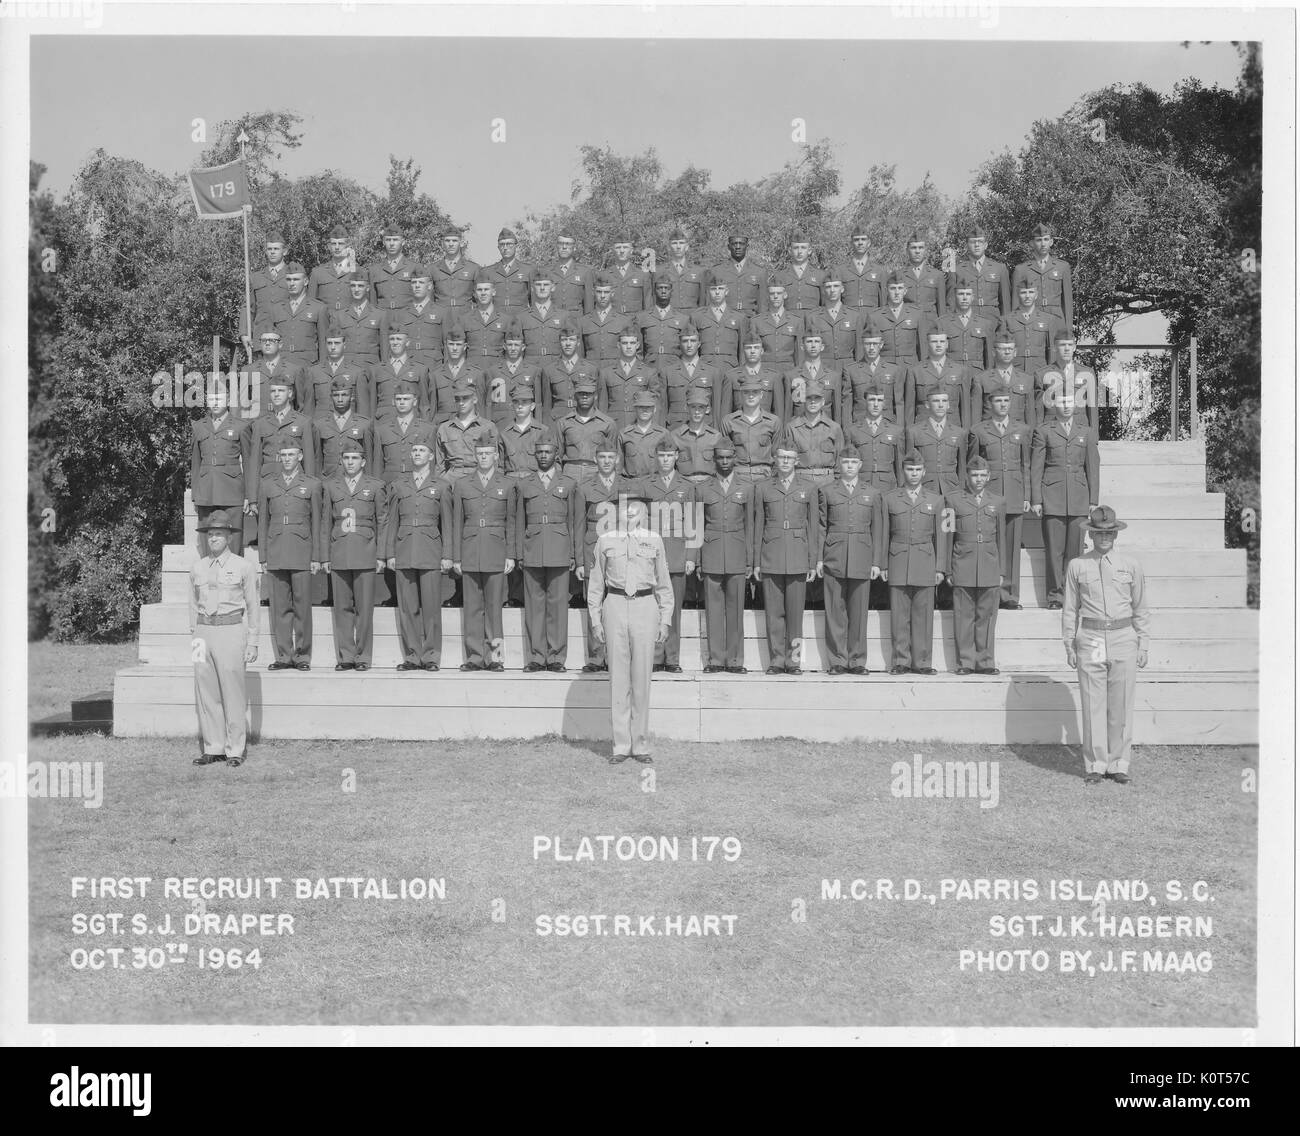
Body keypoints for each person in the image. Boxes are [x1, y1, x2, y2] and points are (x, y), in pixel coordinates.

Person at [1063, 506, 1150, 785]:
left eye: (1109, 532)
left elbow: (1140, 607)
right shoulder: (1078, 565)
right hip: (1091, 637)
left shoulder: (1131, 565)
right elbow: (1069, 608)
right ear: (1091, 534)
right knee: (1093, 702)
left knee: (1121, 703)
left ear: (1116, 533)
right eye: (1099, 532)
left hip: (1123, 636)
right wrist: (1069, 643)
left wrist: (1143, 643)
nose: (1104, 537)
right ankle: (1095, 765)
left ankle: (1118, 763)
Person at [587, 496, 675, 764]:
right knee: (619, 679)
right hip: (614, 605)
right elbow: (595, 584)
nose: (631, 512)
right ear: (618, 512)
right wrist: (595, 620)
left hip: (645, 606)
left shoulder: (654, 540)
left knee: (641, 679)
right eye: (626, 507)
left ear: (645, 513)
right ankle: (621, 745)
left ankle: (640, 743)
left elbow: (664, 584)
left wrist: (665, 619)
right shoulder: (605, 540)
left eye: (637, 508)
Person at [189, 509, 259, 768]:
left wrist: (253, 641)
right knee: (206, 692)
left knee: (232, 693)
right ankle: (213, 747)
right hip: (203, 633)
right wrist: (194, 636)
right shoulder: (197, 568)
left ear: (229, 537)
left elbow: (252, 607)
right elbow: (192, 605)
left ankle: (234, 749)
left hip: (231, 630)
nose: (214, 539)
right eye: (210, 534)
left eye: (219, 534)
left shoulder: (243, 567)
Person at [383, 438, 451, 671]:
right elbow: (391, 521)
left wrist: (447, 555)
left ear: (431, 456)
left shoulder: (441, 486)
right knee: (407, 608)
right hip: (404, 549)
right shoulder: (399, 485)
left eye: (422, 450)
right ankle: (412, 655)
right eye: (414, 450)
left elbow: (448, 524)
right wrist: (389, 552)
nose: (417, 454)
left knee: (431, 608)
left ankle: (431, 656)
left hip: (431, 550)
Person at [257, 438, 324, 671]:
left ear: (300, 457)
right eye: (283, 455)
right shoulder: (268, 484)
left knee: (302, 606)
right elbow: (263, 523)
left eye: (291, 454)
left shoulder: (313, 485)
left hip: (301, 551)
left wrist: (316, 556)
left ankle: (302, 656)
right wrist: (263, 557)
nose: (286, 459)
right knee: (280, 608)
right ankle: (284, 655)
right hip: (276, 550)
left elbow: (318, 522)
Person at [452, 439, 518, 671]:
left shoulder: (508, 485)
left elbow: (511, 521)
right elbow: (457, 522)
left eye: (488, 453)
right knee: (472, 608)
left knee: (494, 608)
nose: (483, 457)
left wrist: (511, 554)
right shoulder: (462, 485)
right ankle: (474, 657)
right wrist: (456, 556)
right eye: (480, 453)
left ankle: (495, 657)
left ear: (496, 456)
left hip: (496, 550)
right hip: (470, 550)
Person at [754, 444, 820, 675]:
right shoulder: (763, 488)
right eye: (781, 457)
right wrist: (756, 561)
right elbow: (757, 525)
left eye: (789, 458)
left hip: (797, 555)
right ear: (774, 459)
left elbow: (813, 527)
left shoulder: (809, 488)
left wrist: (813, 561)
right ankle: (776, 660)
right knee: (774, 615)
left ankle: (793, 661)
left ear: (797, 461)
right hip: (771, 554)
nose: (784, 461)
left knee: (795, 616)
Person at [817, 449, 884, 675]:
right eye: (845, 462)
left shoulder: (872, 493)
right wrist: (818, 558)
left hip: (861, 557)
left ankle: (857, 660)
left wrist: (876, 562)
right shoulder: (827, 491)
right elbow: (820, 527)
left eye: (853, 462)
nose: (849, 466)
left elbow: (878, 529)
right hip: (834, 556)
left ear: (860, 464)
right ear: (839, 464)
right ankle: (837, 660)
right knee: (834, 612)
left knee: (858, 613)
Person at [573, 442, 639, 671]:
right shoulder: (584, 487)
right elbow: (578, 526)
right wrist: (580, 561)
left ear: (618, 460)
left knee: (620, 605)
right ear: (595, 459)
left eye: (611, 457)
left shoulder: (627, 487)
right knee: (595, 604)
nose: (607, 461)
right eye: (602, 457)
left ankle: (617, 657)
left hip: (621, 552)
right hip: (594, 550)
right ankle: (595, 657)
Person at [1031, 391, 1099, 609]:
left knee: (1075, 553)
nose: (1067, 406)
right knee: (1054, 551)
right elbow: (1036, 467)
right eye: (1062, 402)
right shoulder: (1044, 431)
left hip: (1079, 497)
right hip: (1052, 496)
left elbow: (1093, 467)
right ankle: (1055, 597)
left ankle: (1073, 597)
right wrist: (1036, 499)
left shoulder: (1086, 432)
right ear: (1054, 405)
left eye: (1070, 402)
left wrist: (1093, 499)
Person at [882, 451, 948, 675]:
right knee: (899, 616)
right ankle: (901, 660)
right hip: (898, 558)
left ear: (924, 472)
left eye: (918, 470)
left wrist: (940, 567)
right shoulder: (889, 498)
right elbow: (883, 534)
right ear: (903, 471)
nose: (914, 474)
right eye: (910, 470)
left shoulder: (937, 500)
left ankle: (922, 661)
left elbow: (943, 535)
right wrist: (882, 564)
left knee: (923, 616)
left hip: (925, 560)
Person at [323, 439, 386, 671]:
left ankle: (363, 656)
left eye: (355, 458)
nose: (350, 462)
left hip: (366, 551)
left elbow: (383, 521)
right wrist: (324, 556)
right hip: (339, 551)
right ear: (341, 461)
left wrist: (381, 555)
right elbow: (323, 522)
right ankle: (346, 656)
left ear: (364, 461)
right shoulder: (331, 486)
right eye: (347, 458)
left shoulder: (376, 486)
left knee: (364, 608)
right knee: (342, 608)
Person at [516, 439, 577, 672]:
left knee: (558, 606)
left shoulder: (568, 484)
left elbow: (574, 521)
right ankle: (536, 656)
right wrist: (519, 552)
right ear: (534, 454)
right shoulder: (524, 485)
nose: (543, 455)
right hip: (532, 548)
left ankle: (556, 657)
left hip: (560, 548)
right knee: (534, 606)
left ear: (556, 454)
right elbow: (518, 521)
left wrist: (573, 554)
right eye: (539, 451)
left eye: (548, 452)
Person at [968, 390, 1032, 609]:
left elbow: (1026, 465)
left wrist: (1027, 495)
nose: (1003, 404)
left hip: (1014, 495)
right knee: (989, 547)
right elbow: (972, 464)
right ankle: (988, 594)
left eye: (1006, 401)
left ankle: (1009, 596)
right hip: (989, 497)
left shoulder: (1022, 430)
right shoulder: (979, 431)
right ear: (990, 403)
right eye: (998, 400)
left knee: (1012, 549)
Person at [638, 438, 696, 672]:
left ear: (676, 457)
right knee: (651, 608)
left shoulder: (687, 486)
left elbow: (693, 523)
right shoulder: (645, 486)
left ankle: (672, 658)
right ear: (656, 457)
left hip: (676, 553)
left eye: (669, 455)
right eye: (661, 455)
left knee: (673, 609)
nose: (665, 459)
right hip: (650, 555)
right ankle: (654, 657)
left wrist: (691, 556)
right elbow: (638, 522)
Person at [696, 443, 755, 673]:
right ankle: (715, 659)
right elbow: (696, 527)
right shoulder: (702, 489)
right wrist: (698, 559)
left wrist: (750, 561)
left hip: (737, 554)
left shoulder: (747, 489)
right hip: (711, 554)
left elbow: (750, 526)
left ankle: (735, 660)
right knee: (713, 610)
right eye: (720, 458)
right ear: (714, 459)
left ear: (735, 459)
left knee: (735, 610)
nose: (724, 462)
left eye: (728, 457)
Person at [944, 456, 1005, 675]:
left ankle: (986, 661)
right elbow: (947, 536)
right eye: (974, 475)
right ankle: (965, 662)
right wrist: (948, 568)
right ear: (967, 477)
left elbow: (1003, 539)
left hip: (989, 563)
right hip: (963, 562)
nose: (978, 479)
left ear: (988, 477)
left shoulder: (998, 502)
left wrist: (1002, 570)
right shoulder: (952, 501)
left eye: (982, 475)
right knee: (964, 616)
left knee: (987, 617)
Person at [191, 384, 251, 556]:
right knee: (206, 541)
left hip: (231, 490)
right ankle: (207, 578)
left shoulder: (241, 426)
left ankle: (234, 579)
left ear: (228, 400)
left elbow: (249, 462)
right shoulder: (199, 426)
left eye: (219, 398)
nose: (215, 402)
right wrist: (196, 494)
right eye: (211, 399)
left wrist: (249, 495)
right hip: (206, 491)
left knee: (233, 540)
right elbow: (195, 463)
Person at [1013, 222, 1074, 331]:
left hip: (1057, 321)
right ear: (1031, 243)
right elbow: (1016, 304)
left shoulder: (1062, 267)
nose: (1043, 244)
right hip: (1031, 321)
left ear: (1051, 242)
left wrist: (1068, 330)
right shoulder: (1021, 270)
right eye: (1039, 240)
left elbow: (1067, 303)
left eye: (1046, 240)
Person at [949, 224, 1009, 322]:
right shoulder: (956, 271)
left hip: (993, 323)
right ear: (967, 245)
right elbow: (951, 305)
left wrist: (1004, 329)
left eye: (980, 241)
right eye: (973, 242)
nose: (977, 245)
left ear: (986, 245)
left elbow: (1005, 304)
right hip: (967, 324)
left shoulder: (999, 269)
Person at [329, 271, 389, 364]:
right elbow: (333, 348)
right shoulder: (339, 316)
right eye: (353, 286)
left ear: (368, 288)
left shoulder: (380, 315)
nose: (356, 289)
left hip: (371, 368)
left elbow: (384, 350)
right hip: (347, 368)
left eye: (360, 286)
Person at [833, 225, 888, 311]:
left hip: (872, 319)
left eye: (863, 239)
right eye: (856, 239)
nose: (860, 242)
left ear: (869, 243)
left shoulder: (879, 271)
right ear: (851, 243)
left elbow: (884, 303)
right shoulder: (840, 271)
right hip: (848, 319)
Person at [711, 233, 767, 315]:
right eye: (734, 244)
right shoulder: (717, 271)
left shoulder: (759, 272)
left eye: (741, 244)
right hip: (725, 319)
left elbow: (763, 305)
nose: (738, 247)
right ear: (728, 246)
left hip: (750, 319)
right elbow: (710, 302)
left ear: (747, 246)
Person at [481, 227, 533, 310]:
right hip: (496, 319)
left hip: (520, 319)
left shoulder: (528, 270)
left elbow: (534, 301)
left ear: (516, 246)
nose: (505, 248)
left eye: (509, 244)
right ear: (498, 247)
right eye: (502, 244)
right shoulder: (488, 272)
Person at [896, 230, 946, 318]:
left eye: (920, 247)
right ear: (907, 250)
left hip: (931, 326)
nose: (917, 251)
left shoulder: (937, 275)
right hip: (908, 324)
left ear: (925, 250)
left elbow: (942, 309)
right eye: (914, 248)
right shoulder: (899, 275)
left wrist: (942, 329)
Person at [367, 224, 417, 311]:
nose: (392, 244)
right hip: (383, 321)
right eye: (388, 240)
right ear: (383, 242)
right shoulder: (374, 270)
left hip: (407, 321)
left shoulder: (414, 268)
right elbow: (372, 304)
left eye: (395, 240)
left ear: (403, 241)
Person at [655, 228, 706, 310]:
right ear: (669, 247)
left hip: (692, 317)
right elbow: (654, 299)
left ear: (687, 247)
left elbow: (703, 301)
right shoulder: (659, 271)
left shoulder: (699, 271)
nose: (678, 247)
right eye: (674, 243)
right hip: (668, 317)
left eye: (681, 243)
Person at [430, 227, 479, 309]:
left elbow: (480, 299)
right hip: (440, 318)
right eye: (447, 240)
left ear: (461, 243)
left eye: (455, 241)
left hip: (466, 318)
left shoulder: (473, 268)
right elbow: (428, 300)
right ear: (442, 244)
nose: (451, 244)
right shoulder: (432, 269)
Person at [551, 230, 595, 314]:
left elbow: (589, 306)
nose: (564, 247)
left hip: (576, 323)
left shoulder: (585, 272)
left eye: (568, 244)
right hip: (552, 323)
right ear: (556, 246)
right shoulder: (547, 271)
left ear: (574, 247)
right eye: (561, 243)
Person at [607, 234, 650, 314]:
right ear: (613, 250)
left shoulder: (642, 275)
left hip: (635, 323)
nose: (622, 251)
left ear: (631, 250)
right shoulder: (604, 275)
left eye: (625, 247)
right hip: (612, 323)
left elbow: (647, 306)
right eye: (618, 247)